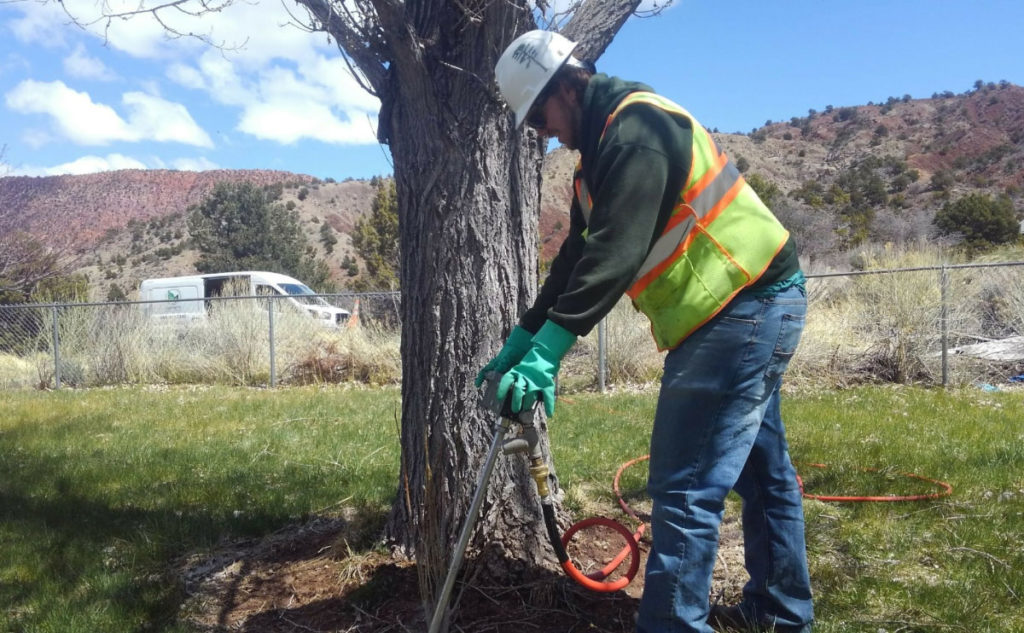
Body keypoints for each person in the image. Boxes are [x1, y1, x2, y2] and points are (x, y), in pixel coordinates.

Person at [479, 30, 815, 633]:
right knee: (765, 481)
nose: (543, 133)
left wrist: (549, 354)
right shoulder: (599, 159)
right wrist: (523, 337)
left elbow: (616, 252)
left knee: (684, 490)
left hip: (741, 308)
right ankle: (778, 614)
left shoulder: (637, 131)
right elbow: (576, 261)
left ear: (566, 85)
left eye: (541, 116)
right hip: (746, 309)